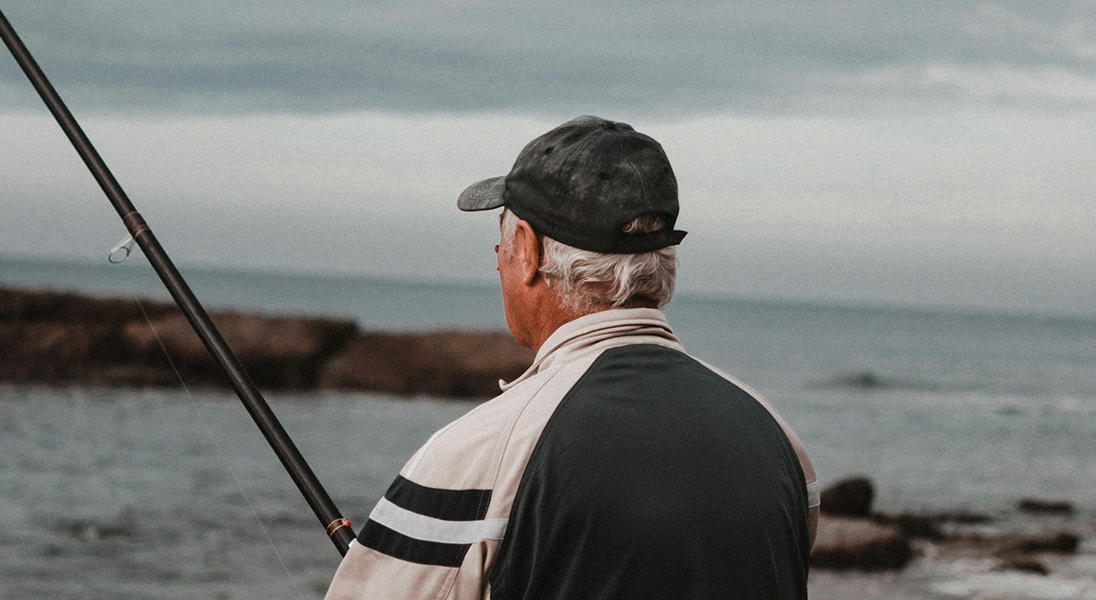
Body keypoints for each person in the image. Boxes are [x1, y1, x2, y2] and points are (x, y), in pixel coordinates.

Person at [325, 116, 819, 599]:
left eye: (502, 240)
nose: (497, 257)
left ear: (528, 249)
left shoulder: (481, 456)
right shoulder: (779, 441)